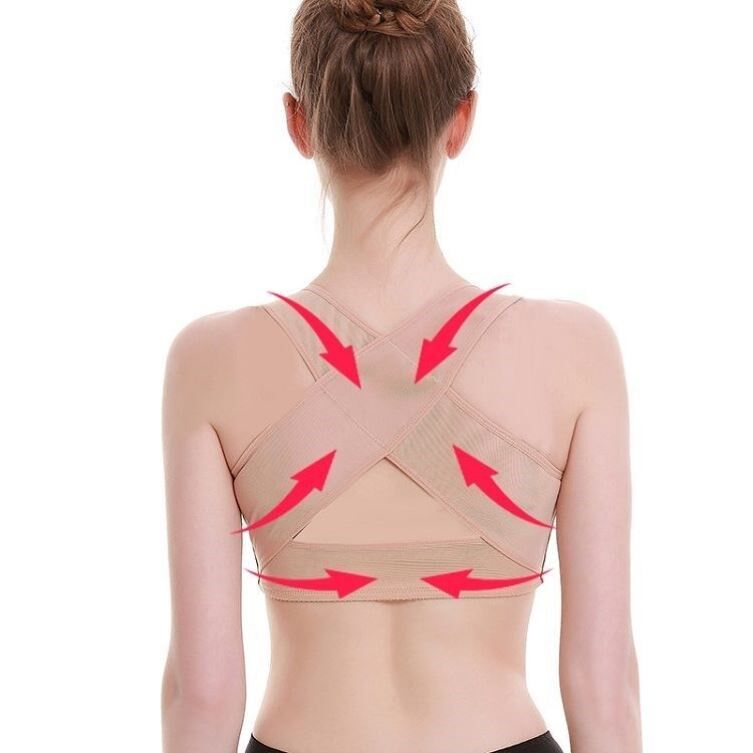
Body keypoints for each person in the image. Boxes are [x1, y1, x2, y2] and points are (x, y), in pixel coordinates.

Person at [160, 1, 642, 752]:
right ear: (460, 120)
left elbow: (204, 693)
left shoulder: (210, 359)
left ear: (299, 124)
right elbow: (603, 689)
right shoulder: (575, 349)